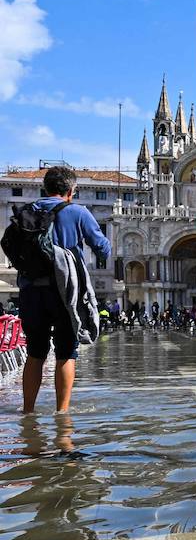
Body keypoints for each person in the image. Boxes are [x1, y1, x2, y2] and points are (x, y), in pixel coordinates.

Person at [10, 166, 110, 413]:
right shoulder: (77, 212)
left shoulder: (26, 211)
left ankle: (28, 411)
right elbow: (102, 249)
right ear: (71, 190)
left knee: (35, 353)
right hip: (65, 292)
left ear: (45, 188)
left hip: (31, 291)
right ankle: (62, 414)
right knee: (66, 352)